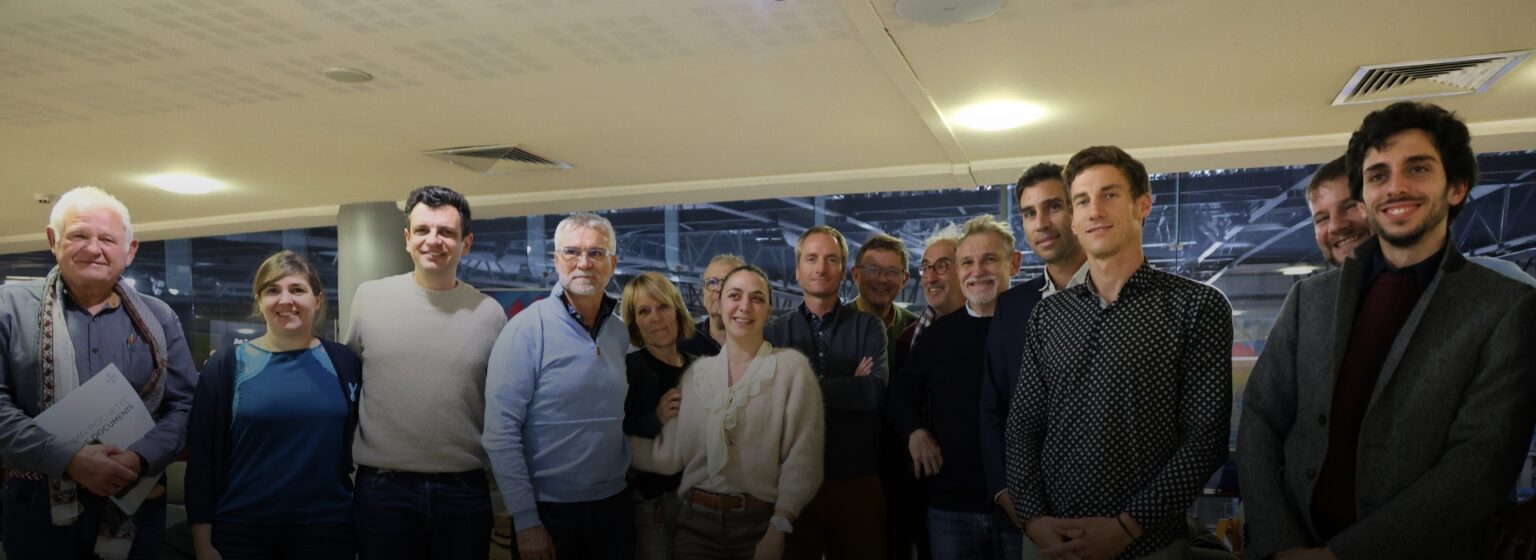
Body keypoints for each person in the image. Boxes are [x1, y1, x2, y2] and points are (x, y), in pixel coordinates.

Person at [1237, 101, 1536, 559]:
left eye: (1417, 168)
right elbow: (1261, 419)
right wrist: (1279, 544)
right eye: (1378, 175)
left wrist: (1339, 556)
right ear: (1365, 195)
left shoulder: (1505, 306)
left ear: (1456, 187)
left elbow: (1478, 465)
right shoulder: (1310, 300)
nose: (1395, 187)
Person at [1006, 146, 1233, 559]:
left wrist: (1128, 526)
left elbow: (1206, 439)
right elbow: (1023, 426)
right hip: (1051, 541)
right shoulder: (1048, 315)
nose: (1094, 211)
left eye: (1109, 195)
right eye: (1081, 200)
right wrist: (1033, 519)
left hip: (1147, 543)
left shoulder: (1195, 306)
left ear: (1142, 205)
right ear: (1073, 220)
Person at [0, 186, 197, 560]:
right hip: (37, 507)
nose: (94, 249)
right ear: (53, 240)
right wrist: (70, 459)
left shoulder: (160, 318)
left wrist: (139, 458)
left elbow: (184, 405)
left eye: (107, 239)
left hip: (137, 500)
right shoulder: (8, 309)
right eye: (79, 236)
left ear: (130, 250)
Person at [346, 186, 508, 560]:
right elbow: (348, 387)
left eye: (446, 232)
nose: (433, 240)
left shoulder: (489, 313)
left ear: (466, 243)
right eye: (422, 230)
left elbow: (502, 407)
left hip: (464, 491)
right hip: (383, 490)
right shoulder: (369, 299)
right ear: (407, 238)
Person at [630, 265, 826, 559]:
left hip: (756, 522)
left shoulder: (789, 369)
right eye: (734, 296)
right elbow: (669, 453)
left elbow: (803, 459)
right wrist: (605, 448)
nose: (744, 306)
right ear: (719, 305)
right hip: (692, 522)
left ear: (769, 310)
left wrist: (779, 526)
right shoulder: (698, 373)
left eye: (756, 298)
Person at [187, 250, 362, 560]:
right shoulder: (227, 365)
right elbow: (201, 460)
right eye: (272, 290)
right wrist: (203, 544)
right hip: (242, 531)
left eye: (297, 289)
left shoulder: (344, 362)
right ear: (259, 301)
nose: (285, 300)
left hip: (327, 529)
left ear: (317, 300)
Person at [484, 212, 633, 560]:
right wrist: (526, 520)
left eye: (596, 253)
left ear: (613, 263)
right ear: (555, 260)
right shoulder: (525, 330)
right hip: (548, 512)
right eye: (572, 252)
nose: (584, 263)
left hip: (613, 507)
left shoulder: (619, 333)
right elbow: (500, 433)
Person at [889, 214, 1024, 558]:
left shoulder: (1036, 325)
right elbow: (899, 393)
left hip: (1024, 505)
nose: (977, 271)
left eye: (989, 259)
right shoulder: (937, 337)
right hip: (952, 506)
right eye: (967, 262)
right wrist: (914, 431)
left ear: (1015, 263)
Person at [979, 162, 1088, 537]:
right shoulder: (1012, 307)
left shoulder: (1121, 296)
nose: (1040, 223)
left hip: (1114, 512)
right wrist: (1007, 494)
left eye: (1053, 206)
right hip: (1033, 511)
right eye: (1029, 213)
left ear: (1077, 210)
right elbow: (993, 406)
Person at [767, 225, 889, 560]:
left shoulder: (869, 326)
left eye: (831, 259)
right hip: (792, 486)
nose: (821, 267)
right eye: (812, 258)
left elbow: (873, 394)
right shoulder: (773, 332)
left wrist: (802, 388)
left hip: (857, 480)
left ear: (844, 270)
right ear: (797, 270)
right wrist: (850, 385)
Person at [621, 272, 699, 559]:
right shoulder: (627, 371)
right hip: (655, 503)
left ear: (677, 311)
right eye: (644, 311)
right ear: (635, 324)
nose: (656, 318)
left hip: (702, 502)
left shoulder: (701, 368)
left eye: (663, 306)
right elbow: (615, 439)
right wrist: (656, 420)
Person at [893, 224, 965, 371]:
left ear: (964, 269)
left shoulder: (992, 332)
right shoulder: (907, 339)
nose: (931, 278)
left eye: (941, 266)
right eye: (925, 268)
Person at [679, 254, 746, 357]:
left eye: (727, 281)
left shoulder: (765, 341)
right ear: (703, 296)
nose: (718, 288)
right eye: (711, 282)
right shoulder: (683, 343)